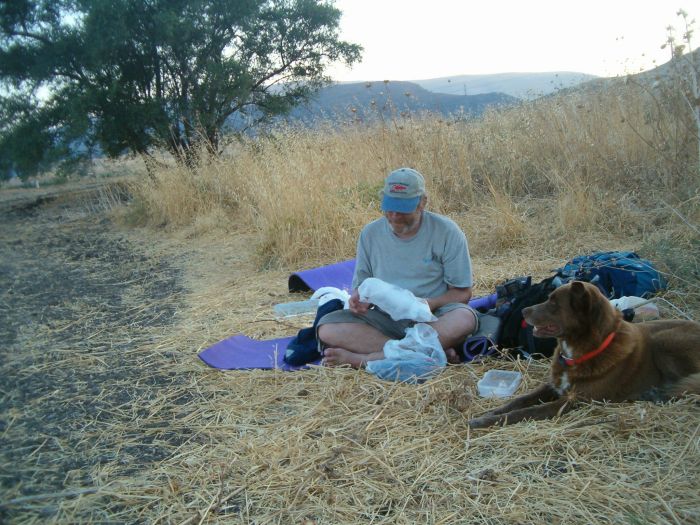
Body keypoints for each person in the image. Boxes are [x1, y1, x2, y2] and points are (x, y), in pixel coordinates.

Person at [317, 167, 478, 367]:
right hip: (386, 319)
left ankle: (365, 359)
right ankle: (431, 350)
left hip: (434, 317)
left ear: (422, 203)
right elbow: (361, 285)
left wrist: (428, 304)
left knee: (464, 319)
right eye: (389, 207)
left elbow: (463, 292)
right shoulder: (370, 234)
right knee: (327, 328)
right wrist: (359, 300)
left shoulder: (446, 232)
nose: (394, 215)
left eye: (402, 209)